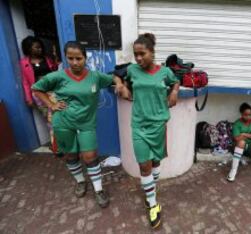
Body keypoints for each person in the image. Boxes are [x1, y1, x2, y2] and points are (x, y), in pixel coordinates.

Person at [32, 41, 124, 208]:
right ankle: (81, 182)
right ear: (66, 58)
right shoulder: (57, 76)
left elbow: (113, 76)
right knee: (71, 155)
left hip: (86, 124)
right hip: (63, 123)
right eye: (70, 58)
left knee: (90, 156)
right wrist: (51, 105)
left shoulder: (95, 76)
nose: (75, 62)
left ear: (85, 58)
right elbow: (37, 88)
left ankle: (98, 190)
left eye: (78, 58)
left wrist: (118, 83)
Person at [120, 33, 180, 229]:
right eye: (135, 54)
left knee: (155, 162)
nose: (138, 58)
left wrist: (174, 92)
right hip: (138, 125)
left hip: (158, 125)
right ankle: (153, 203)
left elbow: (176, 81)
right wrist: (122, 85)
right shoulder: (132, 70)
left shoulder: (165, 72)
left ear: (152, 53)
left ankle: (150, 191)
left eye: (142, 54)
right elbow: (118, 75)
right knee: (144, 166)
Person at [20, 36, 59, 151]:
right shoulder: (24, 63)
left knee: (58, 116)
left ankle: (61, 142)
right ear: (28, 49)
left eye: (40, 47)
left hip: (52, 92)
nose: (39, 49)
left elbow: (55, 71)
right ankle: (55, 145)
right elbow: (26, 82)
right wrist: (28, 98)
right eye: (36, 47)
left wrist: (55, 59)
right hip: (38, 95)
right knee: (48, 119)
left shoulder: (47, 59)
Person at [227, 103, 251, 182]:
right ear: (241, 114)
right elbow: (237, 138)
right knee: (241, 142)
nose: (248, 117)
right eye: (246, 114)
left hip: (250, 147)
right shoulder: (237, 124)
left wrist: (244, 134)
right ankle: (233, 170)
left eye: (250, 114)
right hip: (238, 146)